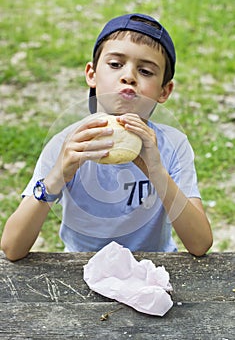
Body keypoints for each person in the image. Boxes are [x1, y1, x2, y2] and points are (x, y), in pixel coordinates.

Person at [1, 13, 213, 261]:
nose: (129, 76)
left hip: (153, 266)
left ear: (164, 91)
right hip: (82, 266)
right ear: (91, 74)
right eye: (115, 65)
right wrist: (57, 176)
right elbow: (12, 248)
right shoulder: (68, 144)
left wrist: (157, 171)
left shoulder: (172, 145)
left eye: (145, 71)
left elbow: (200, 244)